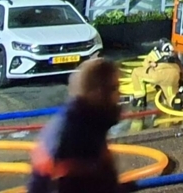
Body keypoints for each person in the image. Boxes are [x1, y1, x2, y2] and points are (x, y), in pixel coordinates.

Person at [27, 58, 123, 193]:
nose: (119, 95)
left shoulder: (89, 123)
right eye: (114, 88)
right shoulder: (76, 135)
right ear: (98, 92)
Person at [129, 40, 183, 109]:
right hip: (174, 75)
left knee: (136, 72)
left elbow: (145, 64)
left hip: (159, 75)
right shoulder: (174, 54)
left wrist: (151, 67)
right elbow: (182, 70)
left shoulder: (155, 52)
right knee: (170, 95)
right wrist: (181, 83)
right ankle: (175, 101)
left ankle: (139, 98)